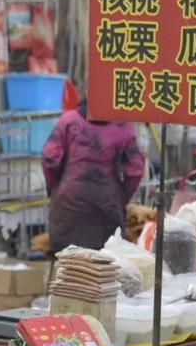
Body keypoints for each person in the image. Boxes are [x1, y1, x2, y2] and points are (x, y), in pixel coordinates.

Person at [42, 98, 145, 252]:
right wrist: (121, 198)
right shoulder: (123, 126)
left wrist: (53, 190)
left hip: (68, 205)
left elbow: (49, 159)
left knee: (67, 267)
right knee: (106, 267)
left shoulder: (68, 121)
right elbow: (135, 171)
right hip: (106, 208)